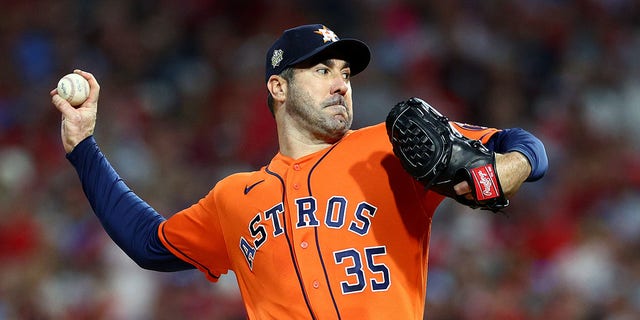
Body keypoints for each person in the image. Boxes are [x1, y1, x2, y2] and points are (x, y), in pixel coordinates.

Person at [50, 24, 548, 319]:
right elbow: (148, 244)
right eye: (322, 70)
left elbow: (525, 146)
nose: (340, 84)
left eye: (345, 73)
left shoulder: (388, 147)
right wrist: (83, 147)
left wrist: (506, 168)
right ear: (279, 88)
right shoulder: (235, 196)